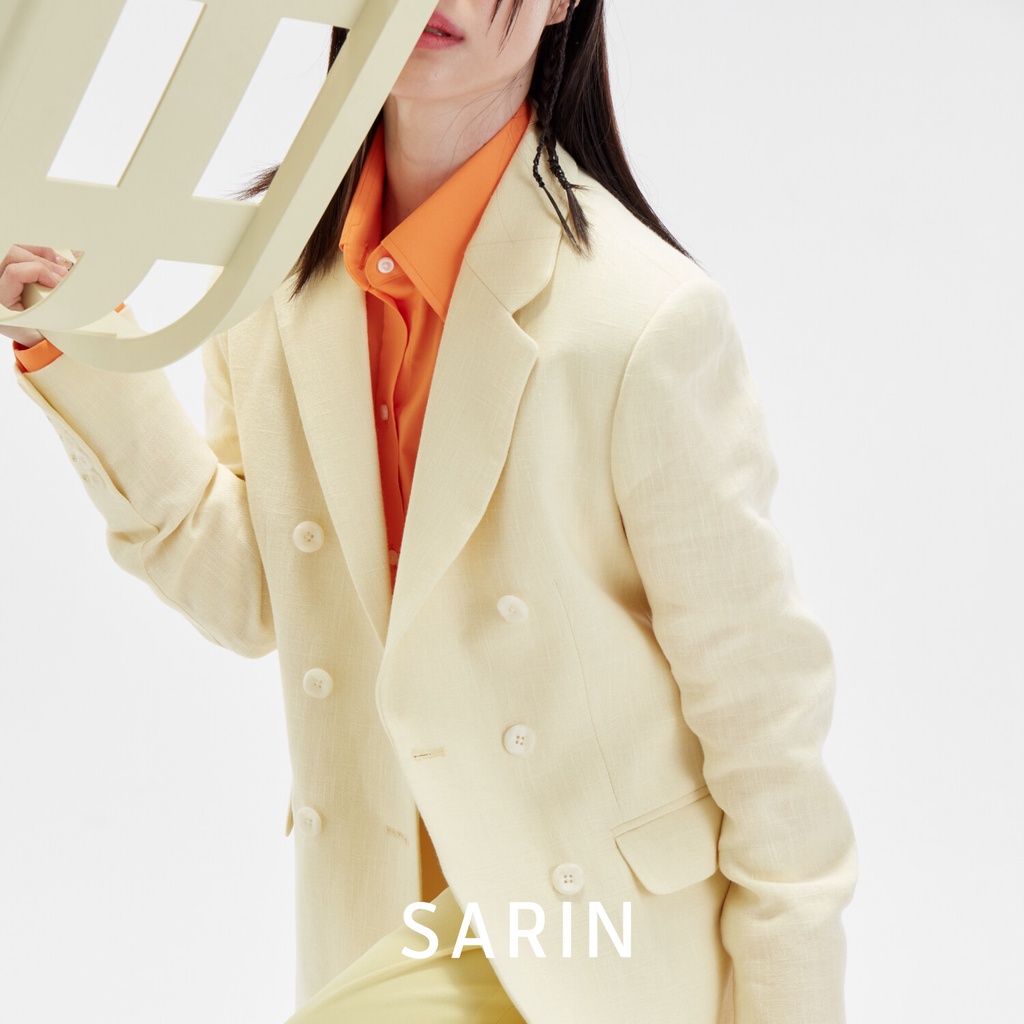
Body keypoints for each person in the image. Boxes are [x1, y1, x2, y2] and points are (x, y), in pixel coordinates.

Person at [2, 2, 857, 1021]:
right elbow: (253, 595)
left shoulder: (641, 319)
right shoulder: (271, 274)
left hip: (594, 938)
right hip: (382, 918)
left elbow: (763, 718)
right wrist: (75, 342)